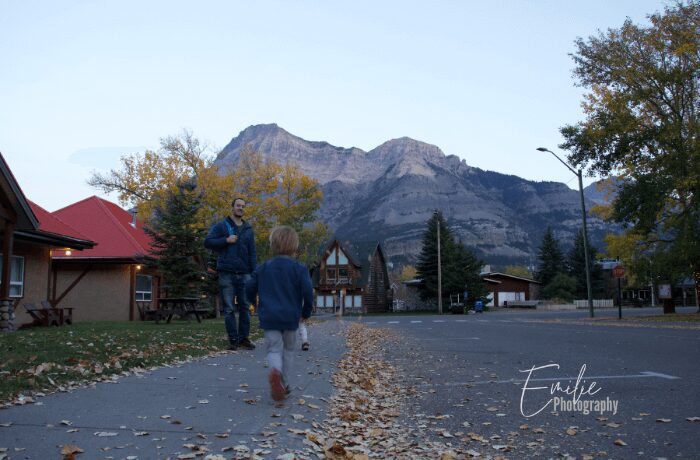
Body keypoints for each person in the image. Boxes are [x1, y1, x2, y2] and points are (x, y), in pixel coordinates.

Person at [245, 226, 313, 401]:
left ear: (272, 245)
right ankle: (284, 382)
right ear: (295, 246)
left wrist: (253, 302)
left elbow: (249, 287)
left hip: (269, 316)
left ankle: (275, 370)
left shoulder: (263, 268)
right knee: (289, 350)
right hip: (291, 317)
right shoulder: (299, 268)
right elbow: (307, 292)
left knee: (274, 349)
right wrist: (306, 311)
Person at [204, 198, 257, 351]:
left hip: (245, 273)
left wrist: (254, 274)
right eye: (238, 206)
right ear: (232, 207)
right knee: (228, 308)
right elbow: (207, 242)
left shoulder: (248, 229)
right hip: (226, 273)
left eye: (243, 206)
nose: (240, 208)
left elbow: (252, 253)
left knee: (245, 307)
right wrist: (225, 240)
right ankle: (233, 340)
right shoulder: (222, 226)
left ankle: (244, 339)